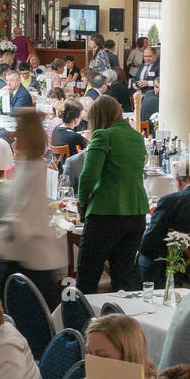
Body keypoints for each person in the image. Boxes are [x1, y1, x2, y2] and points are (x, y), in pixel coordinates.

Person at [0, 110, 65, 306]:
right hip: (19, 256)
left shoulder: (34, 171)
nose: (15, 137)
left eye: (20, 132)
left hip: (33, 260)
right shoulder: (24, 167)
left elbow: (20, 220)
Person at [74, 95, 150, 295]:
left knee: (88, 274)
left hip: (106, 212)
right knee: (123, 277)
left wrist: (82, 202)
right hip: (136, 212)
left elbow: (88, 176)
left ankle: (84, 321)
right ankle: (120, 322)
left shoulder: (103, 135)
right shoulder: (137, 137)